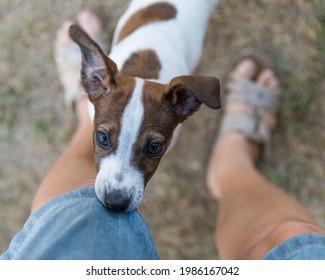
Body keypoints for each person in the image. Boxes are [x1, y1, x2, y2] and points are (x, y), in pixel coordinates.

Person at [1, 10, 325, 260]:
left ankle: (87, 122)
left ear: (186, 103)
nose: (118, 188)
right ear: (95, 78)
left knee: (66, 217)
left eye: (153, 147)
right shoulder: (110, 87)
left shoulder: (174, 97)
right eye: (105, 139)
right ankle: (86, 118)